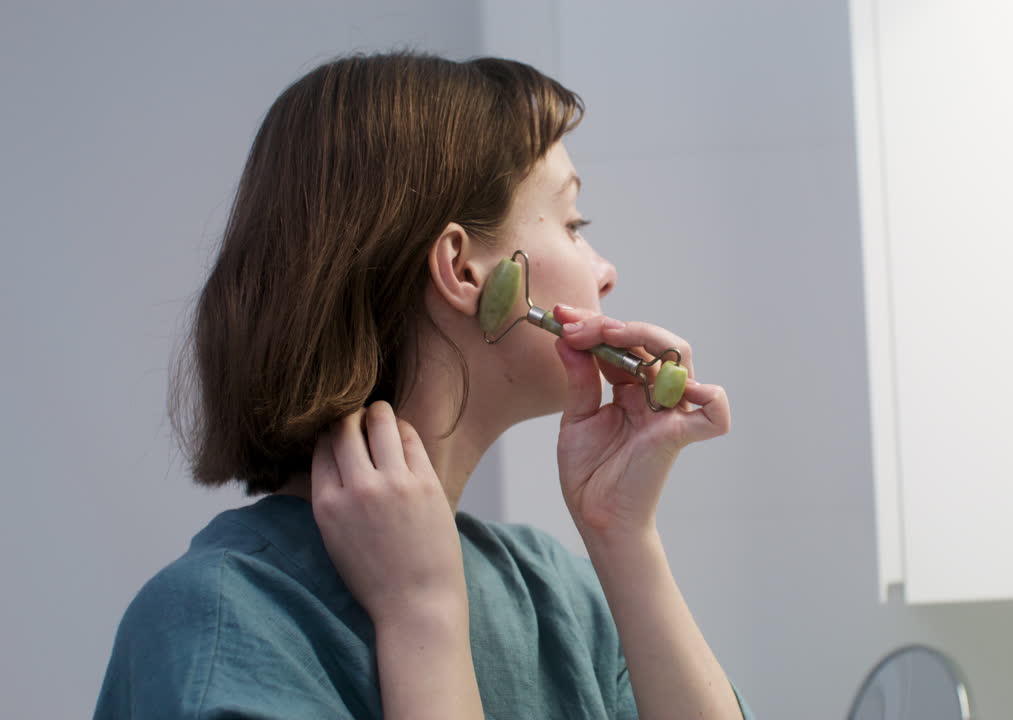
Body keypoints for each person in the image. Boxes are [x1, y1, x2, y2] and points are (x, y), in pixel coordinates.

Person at [93, 51, 753, 719]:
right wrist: (422, 618)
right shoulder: (215, 623)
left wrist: (624, 534)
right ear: (464, 271)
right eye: (574, 225)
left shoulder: (557, 596)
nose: (605, 271)